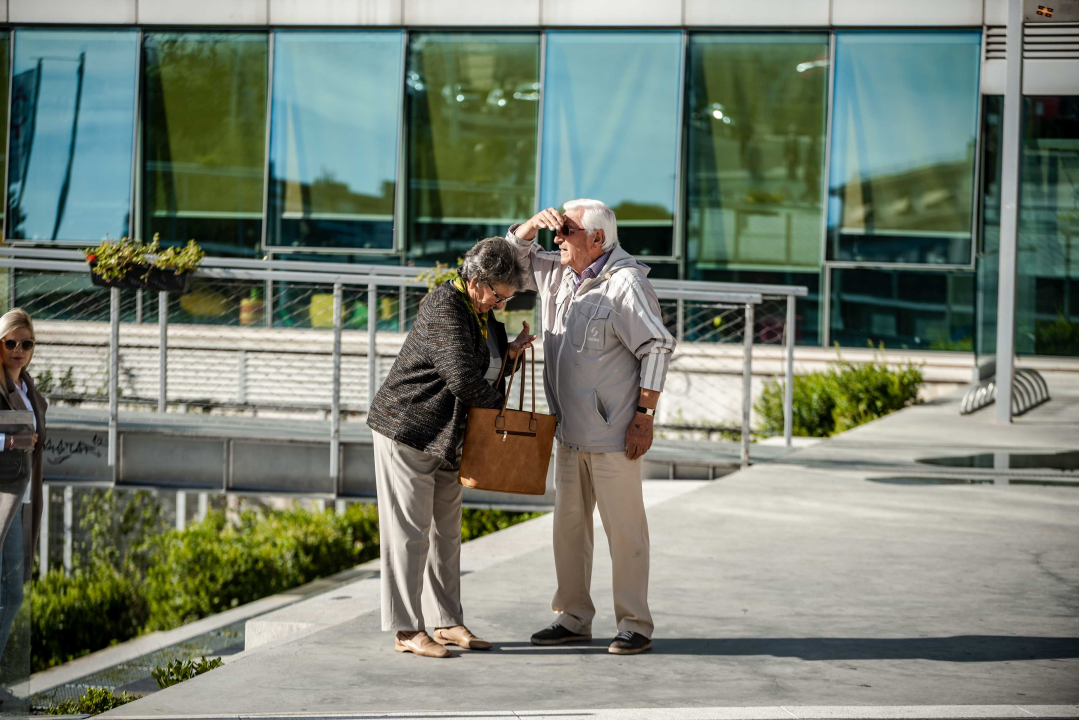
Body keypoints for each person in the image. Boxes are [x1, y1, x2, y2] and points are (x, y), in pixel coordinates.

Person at [505, 199, 675, 655]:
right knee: (569, 531)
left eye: (567, 231)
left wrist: (644, 417)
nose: (557, 238)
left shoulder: (626, 284)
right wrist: (528, 227)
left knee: (624, 533)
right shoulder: (559, 272)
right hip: (567, 434)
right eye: (556, 230)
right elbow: (506, 262)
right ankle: (574, 617)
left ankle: (635, 624)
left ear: (597, 239)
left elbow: (656, 347)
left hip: (614, 436)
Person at [366, 238, 534, 658]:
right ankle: (406, 630)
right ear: (476, 281)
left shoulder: (481, 313)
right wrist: (505, 417)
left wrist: (510, 355)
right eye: (499, 296)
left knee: (446, 533)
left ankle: (446, 621)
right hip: (409, 430)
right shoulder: (445, 306)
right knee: (408, 534)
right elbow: (460, 376)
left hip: (449, 436)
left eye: (508, 299)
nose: (501, 306)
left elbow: (483, 366)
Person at [0, 309, 46, 660]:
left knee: (11, 593)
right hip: (4, 498)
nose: (18, 349)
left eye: (25, 343)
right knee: (11, 594)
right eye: (10, 342)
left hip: (24, 498)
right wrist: (8, 443)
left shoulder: (28, 389)